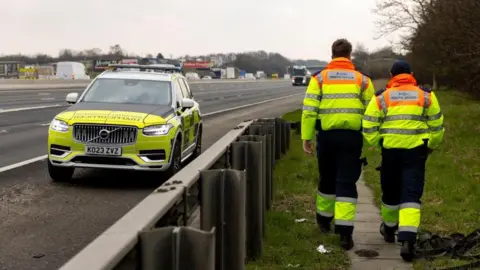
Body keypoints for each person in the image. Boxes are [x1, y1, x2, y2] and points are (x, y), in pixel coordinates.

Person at [362, 60, 445, 261]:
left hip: (390, 152)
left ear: (392, 75)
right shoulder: (426, 96)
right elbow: (437, 126)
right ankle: (408, 240)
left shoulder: (382, 97)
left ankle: (389, 230)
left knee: (390, 192)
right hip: (416, 152)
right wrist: (430, 145)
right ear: (412, 73)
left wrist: (378, 142)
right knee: (411, 193)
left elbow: (368, 124)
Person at [301, 38, 375, 250]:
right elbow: (371, 112)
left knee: (327, 178)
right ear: (350, 55)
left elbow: (309, 111)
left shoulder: (319, 79)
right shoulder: (363, 80)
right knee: (346, 182)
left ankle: (324, 220)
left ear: (332, 54)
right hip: (352, 138)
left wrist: (306, 138)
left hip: (326, 136)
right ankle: (345, 234)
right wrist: (371, 138)